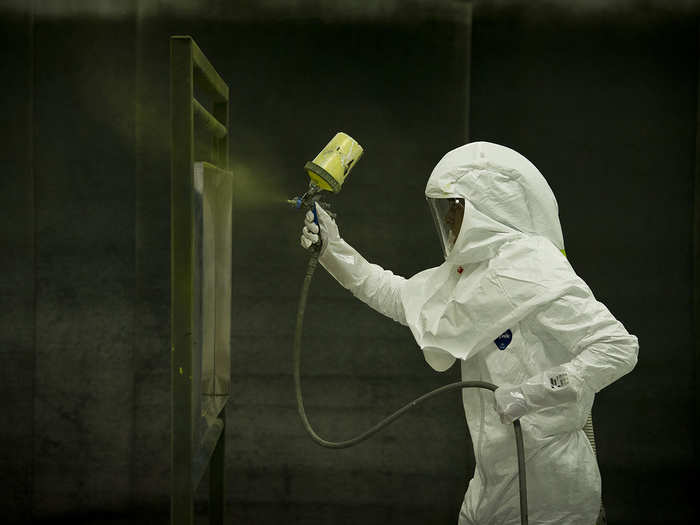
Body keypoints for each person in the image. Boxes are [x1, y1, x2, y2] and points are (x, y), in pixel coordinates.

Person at [300, 141, 638, 525]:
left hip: (552, 490)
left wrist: (535, 392)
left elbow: (617, 348)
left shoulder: (538, 270)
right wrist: (333, 250)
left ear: (488, 204)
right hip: (491, 478)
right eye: (443, 209)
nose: (446, 221)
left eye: (455, 207)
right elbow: (396, 296)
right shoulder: (467, 276)